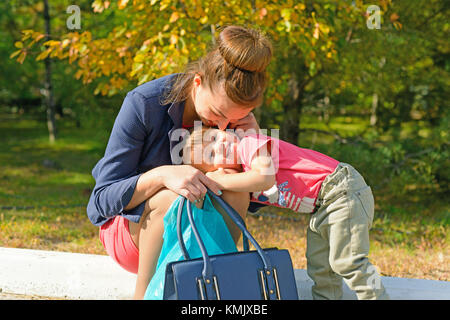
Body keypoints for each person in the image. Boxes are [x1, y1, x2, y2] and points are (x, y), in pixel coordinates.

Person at [86, 25, 273, 299]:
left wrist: (252, 140)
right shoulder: (144, 104)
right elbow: (100, 202)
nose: (222, 126)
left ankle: (216, 288)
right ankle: (143, 297)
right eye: (218, 113)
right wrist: (162, 175)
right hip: (135, 233)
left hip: (200, 239)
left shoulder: (233, 117)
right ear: (197, 83)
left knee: (237, 193)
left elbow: (256, 198)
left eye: (232, 119)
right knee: (175, 196)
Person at [181, 125, 390, 300]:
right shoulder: (243, 176)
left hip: (341, 190)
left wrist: (216, 180)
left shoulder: (249, 144)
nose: (221, 145)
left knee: (348, 261)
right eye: (211, 154)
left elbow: (265, 178)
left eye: (216, 137)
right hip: (321, 208)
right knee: (321, 269)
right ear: (213, 168)